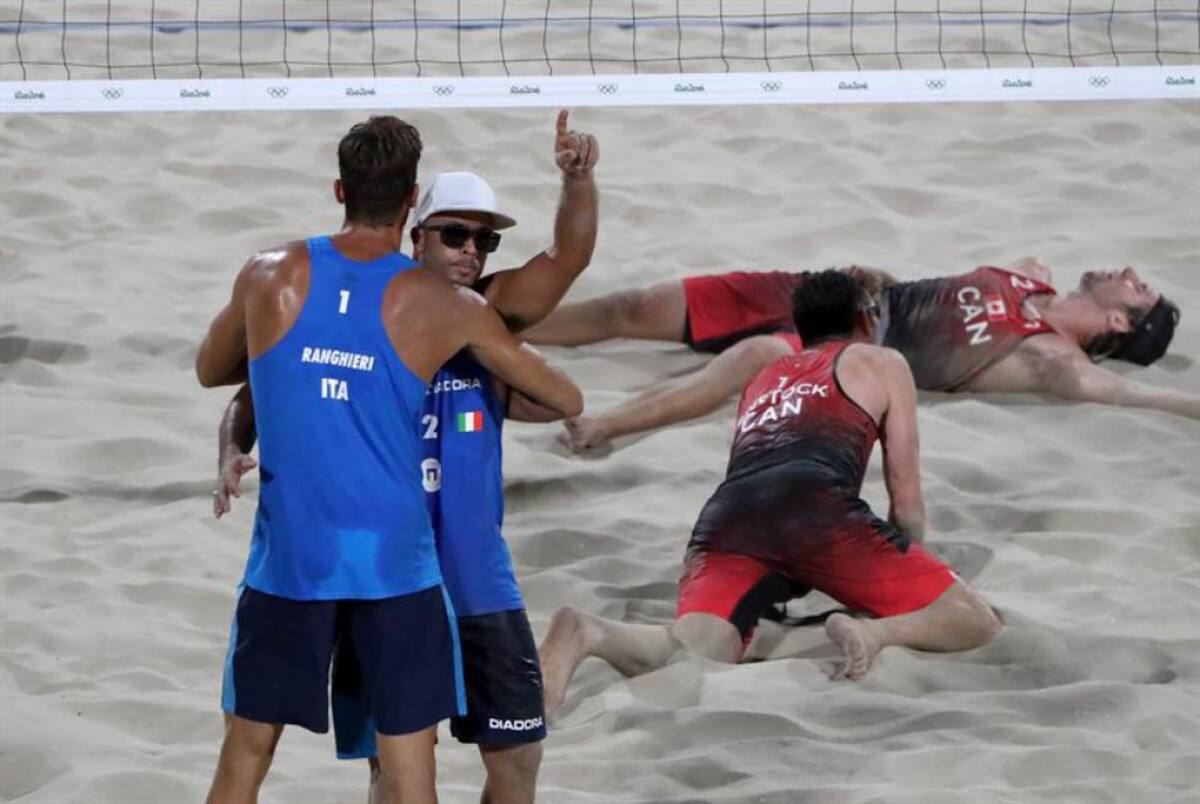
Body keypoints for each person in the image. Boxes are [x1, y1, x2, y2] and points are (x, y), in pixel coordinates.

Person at [212, 111, 599, 804]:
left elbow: (565, 263)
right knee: (392, 769)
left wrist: (578, 183)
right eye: (455, 232)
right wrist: (232, 445)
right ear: (414, 224)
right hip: (392, 575)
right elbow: (248, 391)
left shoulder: (480, 309)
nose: (472, 249)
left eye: (484, 238)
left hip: (441, 574)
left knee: (511, 759)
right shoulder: (421, 308)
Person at [538, 270, 1002, 713]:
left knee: (697, 649)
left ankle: (591, 631)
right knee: (973, 620)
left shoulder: (765, 376)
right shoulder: (881, 360)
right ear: (866, 319)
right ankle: (877, 635)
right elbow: (905, 498)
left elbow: (752, 461)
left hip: (727, 515)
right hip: (815, 505)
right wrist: (911, 569)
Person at [524, 259, 1189, 452]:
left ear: (1114, 322)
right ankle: (495, 319)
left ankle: (607, 426)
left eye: (1138, 287)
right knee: (635, 306)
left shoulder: (1054, 360)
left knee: (754, 355)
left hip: (852, 339)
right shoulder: (1030, 276)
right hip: (840, 290)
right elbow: (940, 298)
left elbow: (1130, 396)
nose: (1127, 269)